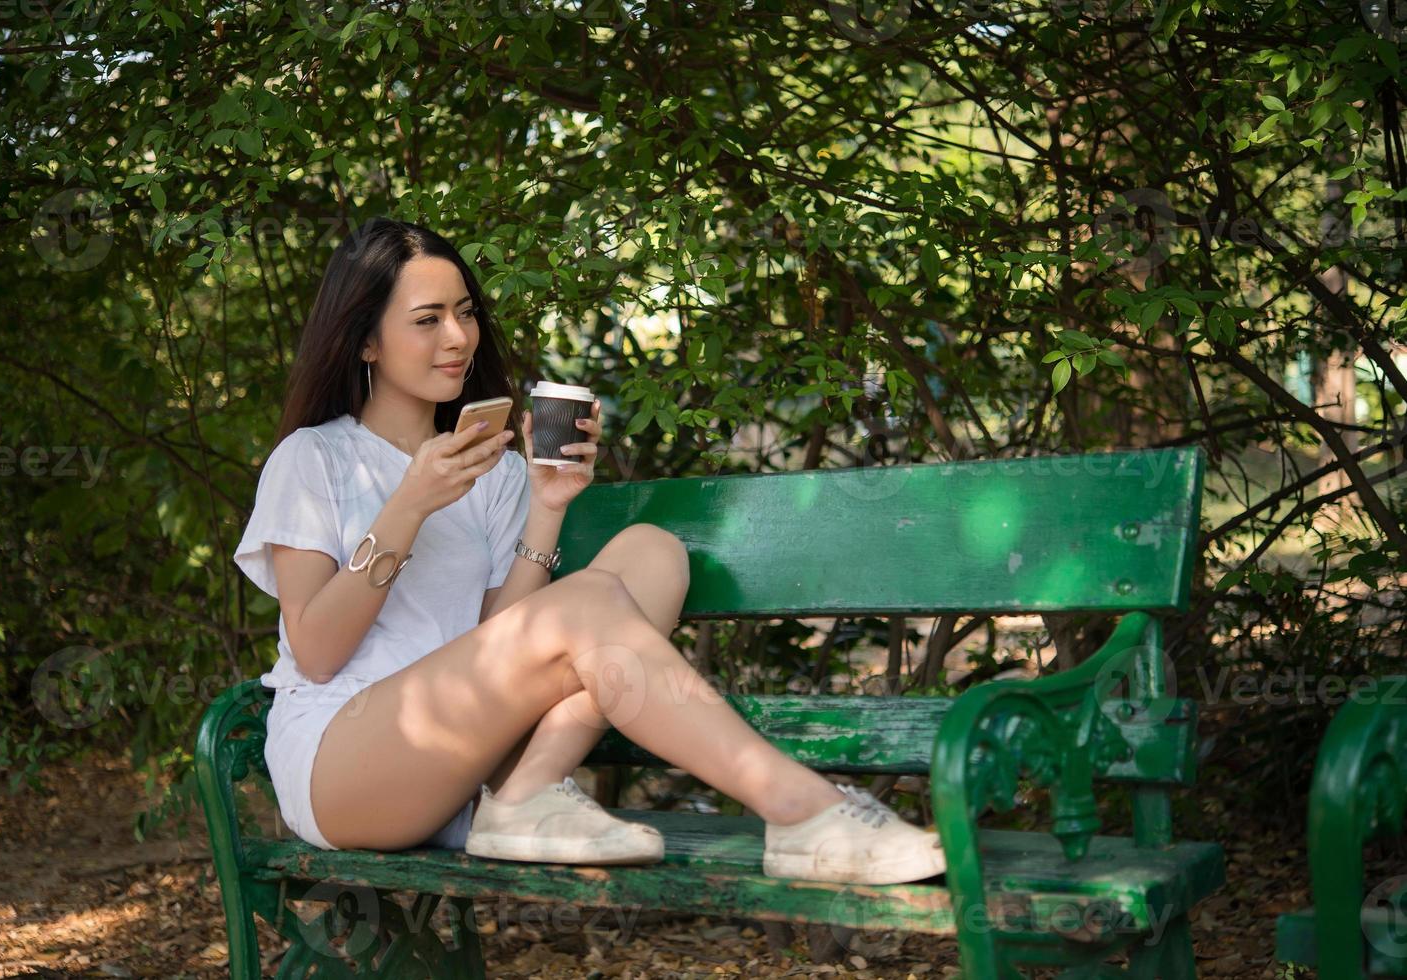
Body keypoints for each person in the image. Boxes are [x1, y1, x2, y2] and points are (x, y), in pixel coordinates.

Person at [232, 216, 947, 885]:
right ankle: (798, 809)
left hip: (466, 752)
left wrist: (546, 507)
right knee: (587, 603)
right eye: (426, 320)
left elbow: (493, 648)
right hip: (345, 763)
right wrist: (408, 507)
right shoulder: (315, 460)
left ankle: (528, 791)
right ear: (365, 341)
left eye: (466, 312)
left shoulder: (493, 468)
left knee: (650, 554)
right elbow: (318, 651)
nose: (458, 337)